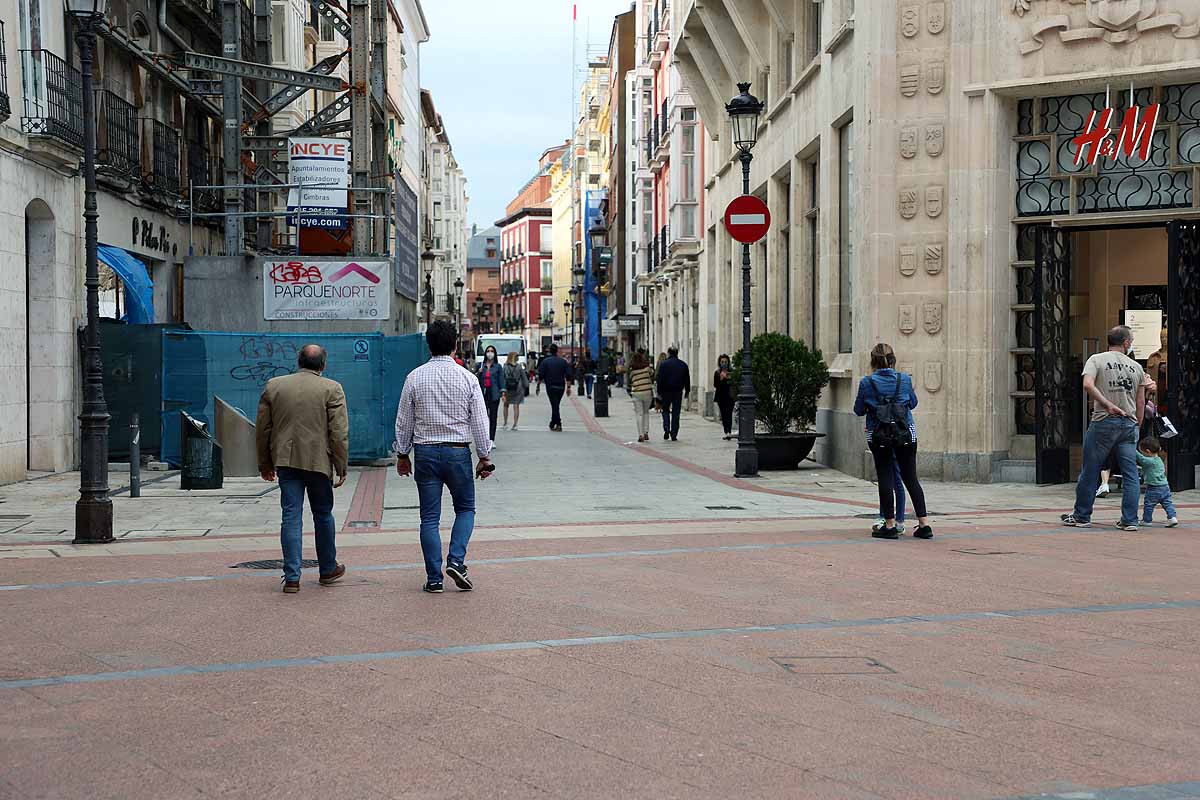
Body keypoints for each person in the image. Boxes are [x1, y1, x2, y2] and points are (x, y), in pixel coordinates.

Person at [394, 320, 494, 593]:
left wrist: (403, 454)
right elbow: (480, 422)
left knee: (429, 518)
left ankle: (434, 579)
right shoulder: (468, 378)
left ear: (428, 345)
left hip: (425, 453)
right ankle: (457, 561)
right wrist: (484, 456)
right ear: (454, 345)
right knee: (465, 509)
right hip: (457, 452)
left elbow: (403, 421)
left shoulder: (414, 377)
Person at [256, 344, 349, 593]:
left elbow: (263, 428)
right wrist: (341, 465)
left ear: (298, 361)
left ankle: (292, 577)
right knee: (323, 514)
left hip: (286, 461)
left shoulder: (275, 386)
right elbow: (338, 432)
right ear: (323, 365)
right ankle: (328, 568)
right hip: (318, 461)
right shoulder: (332, 389)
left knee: (291, 516)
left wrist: (264, 463)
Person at [1063, 325, 1146, 531]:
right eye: (1131, 340)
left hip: (1103, 421)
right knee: (1130, 474)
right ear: (1125, 342)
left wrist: (1107, 404)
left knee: (1090, 469)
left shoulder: (1096, 359)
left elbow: (1088, 385)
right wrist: (1137, 425)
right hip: (1128, 423)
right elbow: (1141, 401)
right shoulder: (1136, 367)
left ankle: (1082, 515)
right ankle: (1130, 519)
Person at [853, 343, 933, 540]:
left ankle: (889, 525)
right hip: (906, 434)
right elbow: (913, 403)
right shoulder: (904, 379)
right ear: (893, 360)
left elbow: (858, 410)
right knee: (911, 478)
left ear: (873, 361)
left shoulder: (866, 383)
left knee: (885, 478)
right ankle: (924, 524)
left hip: (879, 436)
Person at [1137, 436, 1178, 527]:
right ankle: (1172, 517)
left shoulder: (1150, 461)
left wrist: (1133, 450)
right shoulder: (1159, 460)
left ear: (1147, 452)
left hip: (1153, 488)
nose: (1142, 454)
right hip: (1165, 486)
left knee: (1149, 504)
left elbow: (1141, 459)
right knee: (1167, 503)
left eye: (1142, 452)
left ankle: (1147, 520)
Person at [656, 347, 691, 441]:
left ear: (668, 353)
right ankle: (674, 433)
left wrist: (659, 392)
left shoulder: (663, 364)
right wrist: (687, 391)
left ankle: (666, 428)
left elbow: (659, 379)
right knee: (676, 412)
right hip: (678, 391)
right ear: (677, 353)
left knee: (665, 410)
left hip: (665, 391)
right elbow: (687, 379)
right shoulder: (683, 365)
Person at [538, 343, 572, 432]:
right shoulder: (563, 361)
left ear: (549, 351)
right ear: (557, 351)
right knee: (556, 404)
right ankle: (553, 423)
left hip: (550, 386)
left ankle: (558, 423)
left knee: (554, 404)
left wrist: (538, 386)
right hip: (561, 386)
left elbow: (541, 374)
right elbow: (568, 375)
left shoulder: (545, 361)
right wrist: (568, 387)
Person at [476, 345, 504, 442]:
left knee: (493, 417)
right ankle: (484, 439)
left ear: (495, 353)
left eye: (492, 351)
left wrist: (503, 392)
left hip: (494, 394)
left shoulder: (498, 366)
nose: (490, 353)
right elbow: (473, 379)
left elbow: (501, 380)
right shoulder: (480, 365)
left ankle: (491, 439)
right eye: (488, 351)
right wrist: (478, 372)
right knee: (483, 418)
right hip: (483, 394)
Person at [627, 351, 655, 442]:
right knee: (646, 412)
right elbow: (652, 374)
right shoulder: (647, 369)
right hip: (647, 392)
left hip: (636, 393)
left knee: (639, 414)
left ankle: (640, 435)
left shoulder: (632, 371)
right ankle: (646, 432)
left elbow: (630, 381)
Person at [501, 351, 530, 430]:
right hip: (518, 388)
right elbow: (524, 377)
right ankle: (515, 424)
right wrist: (526, 386)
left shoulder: (505, 366)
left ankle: (505, 423)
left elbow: (502, 378)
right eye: (517, 356)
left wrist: (502, 389)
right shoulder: (519, 367)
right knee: (516, 405)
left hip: (507, 388)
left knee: (506, 405)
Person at [713, 354, 736, 440]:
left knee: (729, 414)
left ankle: (729, 432)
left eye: (725, 362)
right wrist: (721, 379)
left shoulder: (732, 372)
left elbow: (734, 383)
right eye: (722, 362)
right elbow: (715, 385)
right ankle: (726, 431)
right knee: (723, 415)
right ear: (719, 363)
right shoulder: (717, 373)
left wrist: (729, 377)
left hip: (730, 396)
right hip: (721, 397)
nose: (724, 363)